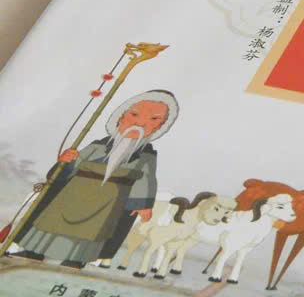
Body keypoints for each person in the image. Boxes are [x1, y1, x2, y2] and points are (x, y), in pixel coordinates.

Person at [9, 90, 178, 269]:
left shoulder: (146, 157)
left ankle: (75, 260)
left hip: (108, 202)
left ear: (159, 127)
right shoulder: (97, 146)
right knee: (52, 223)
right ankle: (34, 251)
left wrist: (142, 204)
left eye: (153, 119)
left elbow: (146, 180)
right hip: (73, 195)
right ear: (121, 116)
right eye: (134, 115)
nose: (140, 122)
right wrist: (67, 161)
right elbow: (70, 168)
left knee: (90, 233)